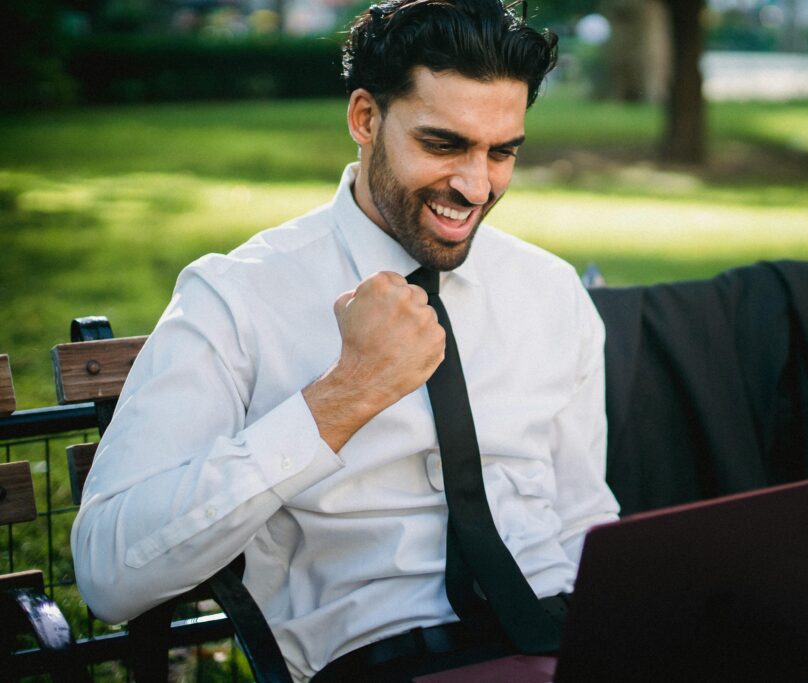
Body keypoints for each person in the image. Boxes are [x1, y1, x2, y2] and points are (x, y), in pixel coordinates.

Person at [70, 0, 620, 680]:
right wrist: (341, 397)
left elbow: (582, 516)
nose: (476, 185)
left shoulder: (548, 289)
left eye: (501, 151)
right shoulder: (237, 299)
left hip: (567, 638)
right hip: (382, 655)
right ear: (365, 118)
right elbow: (105, 573)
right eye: (443, 144)